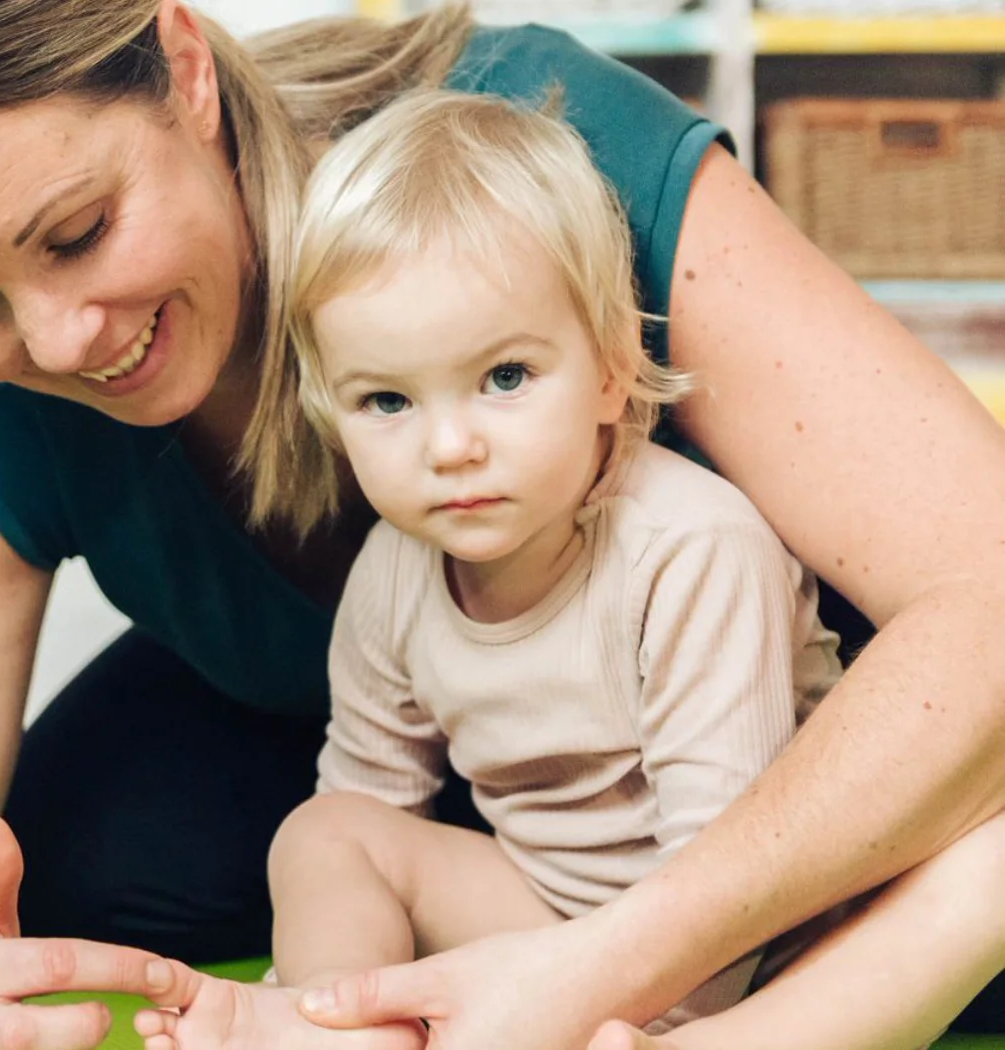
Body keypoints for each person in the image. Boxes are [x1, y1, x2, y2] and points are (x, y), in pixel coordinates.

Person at [0, 1, 1005, 1048]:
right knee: (48, 889)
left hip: (753, 738)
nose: (53, 340)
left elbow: (987, 594)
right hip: (368, 730)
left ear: (187, 70)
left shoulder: (544, 145)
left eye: (78, 233)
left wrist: (604, 971)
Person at [131, 85, 995, 1050]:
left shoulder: (689, 550)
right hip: (551, 912)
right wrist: (347, 966)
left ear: (612, 367)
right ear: (329, 410)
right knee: (324, 834)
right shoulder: (395, 570)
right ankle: (341, 1025)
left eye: (504, 378)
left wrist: (575, 998)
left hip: (752, 937)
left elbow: (723, 865)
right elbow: (369, 794)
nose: (449, 445)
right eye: (385, 401)